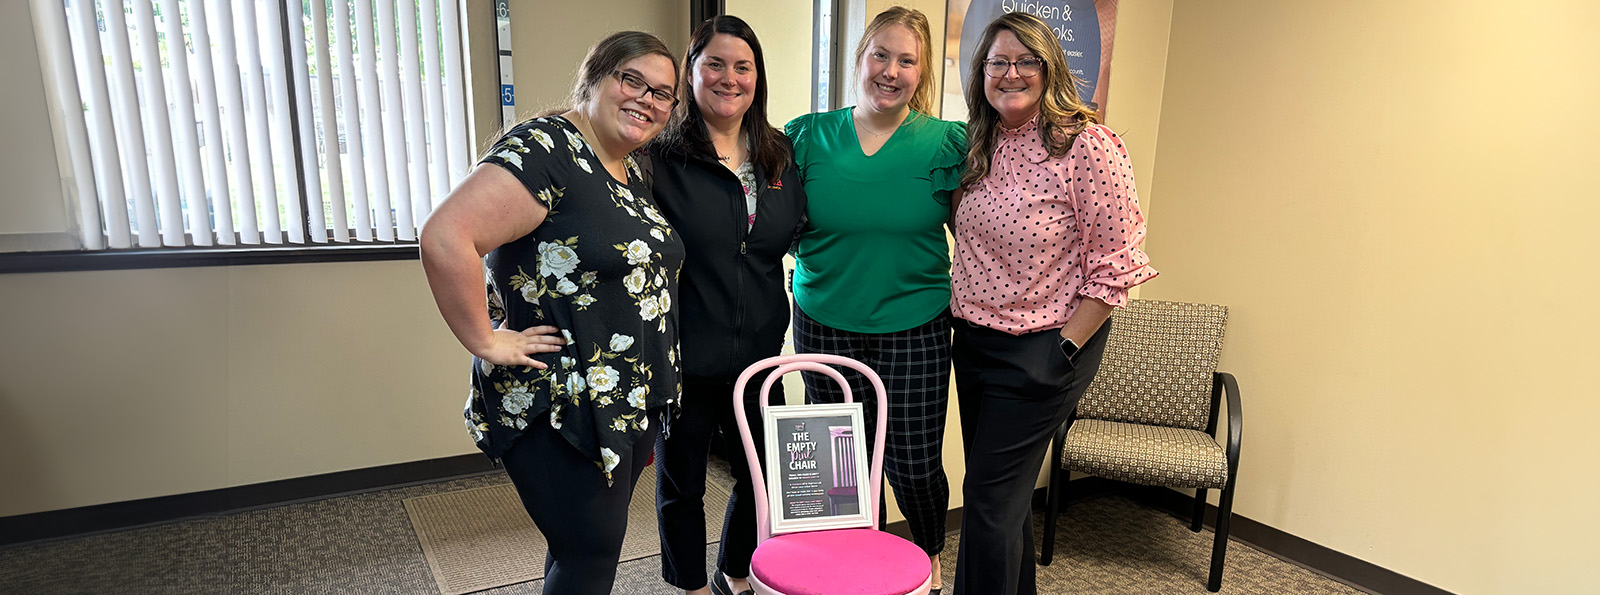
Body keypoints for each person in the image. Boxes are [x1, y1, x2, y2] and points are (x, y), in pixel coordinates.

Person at [418, 31, 683, 595]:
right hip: (561, 401)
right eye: (631, 79)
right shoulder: (545, 149)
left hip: (623, 395)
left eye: (663, 93)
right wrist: (487, 340)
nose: (647, 100)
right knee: (589, 554)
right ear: (594, 77)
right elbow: (446, 236)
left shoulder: (628, 167)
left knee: (580, 548)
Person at [948, 12, 1157, 595]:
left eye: (1026, 61)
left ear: (1049, 68)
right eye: (997, 62)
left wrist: (1062, 349)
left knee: (987, 507)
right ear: (981, 73)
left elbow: (1116, 267)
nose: (1010, 73)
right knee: (1002, 502)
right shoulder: (979, 141)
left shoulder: (1087, 144)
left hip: (1046, 346)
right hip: (976, 341)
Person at [784, 7, 966, 591]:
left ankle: (929, 557)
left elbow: (983, 235)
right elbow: (770, 223)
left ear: (922, 72)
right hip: (823, 322)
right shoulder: (805, 135)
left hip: (916, 325)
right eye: (880, 55)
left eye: (907, 60)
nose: (891, 70)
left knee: (912, 465)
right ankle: (848, 567)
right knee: (841, 468)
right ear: (859, 57)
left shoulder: (947, 143)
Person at [647, 16, 806, 595]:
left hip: (760, 355)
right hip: (685, 355)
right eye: (714, 63)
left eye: (743, 66)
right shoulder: (659, 157)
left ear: (757, 78)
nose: (729, 78)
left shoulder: (779, 153)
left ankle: (733, 575)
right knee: (682, 483)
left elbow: (797, 236)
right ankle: (689, 586)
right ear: (691, 72)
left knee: (765, 478)